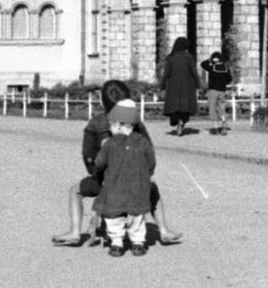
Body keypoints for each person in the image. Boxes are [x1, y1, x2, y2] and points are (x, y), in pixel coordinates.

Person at [53, 80, 181, 247]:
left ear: (102, 102)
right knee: (153, 189)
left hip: (106, 182)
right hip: (136, 182)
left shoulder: (95, 123)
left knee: (75, 191)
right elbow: (148, 150)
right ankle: (164, 231)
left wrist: (98, 176)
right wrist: (145, 176)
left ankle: (75, 232)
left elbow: (88, 156)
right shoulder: (135, 123)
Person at [93, 100, 156, 257]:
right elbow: (151, 163)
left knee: (114, 216)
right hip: (138, 187)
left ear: (119, 125)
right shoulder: (144, 143)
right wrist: (145, 176)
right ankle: (138, 242)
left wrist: (99, 154)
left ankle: (117, 243)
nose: (110, 128)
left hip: (115, 187)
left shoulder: (109, 144)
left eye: (112, 125)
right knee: (137, 216)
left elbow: (99, 164)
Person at [159, 36, 202, 135]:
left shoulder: (171, 58)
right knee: (185, 106)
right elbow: (194, 72)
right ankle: (182, 121)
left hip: (173, 86)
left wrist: (162, 87)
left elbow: (166, 74)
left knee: (175, 106)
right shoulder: (189, 57)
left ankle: (177, 121)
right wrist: (197, 85)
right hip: (187, 86)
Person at [203, 49, 233, 134]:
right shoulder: (226, 67)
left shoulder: (212, 67)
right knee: (222, 108)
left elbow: (203, 64)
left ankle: (215, 127)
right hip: (222, 91)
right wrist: (223, 83)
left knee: (212, 108)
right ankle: (223, 126)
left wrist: (210, 60)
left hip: (213, 90)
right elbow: (229, 79)